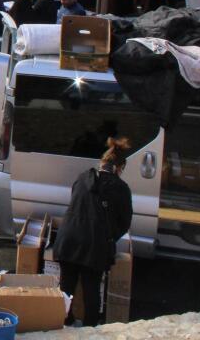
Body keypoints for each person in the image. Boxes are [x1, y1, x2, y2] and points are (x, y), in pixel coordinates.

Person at [52, 137, 134, 327]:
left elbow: (75, 202)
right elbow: (124, 222)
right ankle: (90, 329)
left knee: (66, 287)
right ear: (119, 167)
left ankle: (63, 322)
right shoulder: (121, 188)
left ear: (102, 162)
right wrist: (109, 235)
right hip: (95, 245)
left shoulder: (82, 178)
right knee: (91, 289)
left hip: (68, 239)